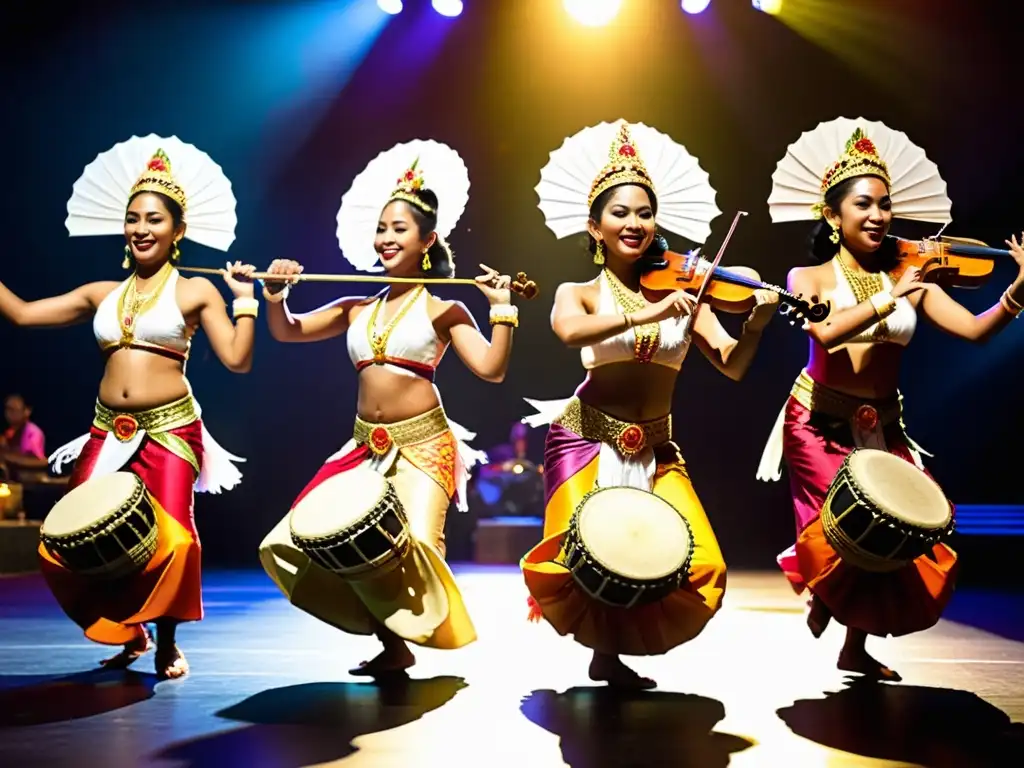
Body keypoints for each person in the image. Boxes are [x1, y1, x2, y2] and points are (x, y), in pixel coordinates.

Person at [757, 118, 1024, 680]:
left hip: (885, 423)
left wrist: (1017, 292)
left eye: (884, 204)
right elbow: (826, 334)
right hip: (818, 420)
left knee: (899, 530)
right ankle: (819, 585)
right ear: (833, 216)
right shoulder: (807, 275)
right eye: (863, 204)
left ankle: (854, 646)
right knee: (844, 527)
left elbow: (975, 331)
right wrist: (888, 299)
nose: (878, 215)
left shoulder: (914, 273)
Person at [521, 120, 779, 689]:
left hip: (656, 444)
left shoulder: (687, 291)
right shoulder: (580, 292)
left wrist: (757, 324)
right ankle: (606, 652)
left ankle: (620, 644)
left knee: (700, 562)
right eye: (620, 213)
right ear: (595, 226)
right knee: (584, 556)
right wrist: (648, 314)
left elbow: (732, 365)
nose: (635, 223)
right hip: (584, 438)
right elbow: (570, 333)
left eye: (644, 212)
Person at [258, 139, 524, 676]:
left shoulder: (446, 307)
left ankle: (421, 633)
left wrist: (502, 312)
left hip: (424, 445)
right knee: (302, 538)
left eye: (398, 229)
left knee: (420, 544)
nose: (385, 238)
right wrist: (275, 296)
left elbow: (492, 369)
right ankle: (391, 644)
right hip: (363, 446)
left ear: (427, 241)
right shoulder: (355, 305)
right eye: (381, 229)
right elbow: (287, 332)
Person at [0, 136, 255, 679]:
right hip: (106, 431)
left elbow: (237, 359)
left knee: (175, 537)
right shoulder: (100, 294)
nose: (141, 228)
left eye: (155, 219)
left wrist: (247, 300)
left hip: (170, 431)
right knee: (68, 536)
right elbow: (21, 314)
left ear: (178, 231)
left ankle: (166, 640)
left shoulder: (195, 293)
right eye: (133, 218)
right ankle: (130, 629)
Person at [1, 394, 48, 481]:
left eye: (14, 409)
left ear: (27, 411)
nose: (9, 413)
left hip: (28, 485)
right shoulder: (9, 432)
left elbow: (40, 462)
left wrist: (7, 456)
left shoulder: (32, 432)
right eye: (8, 409)